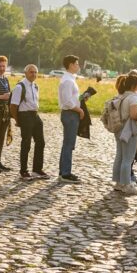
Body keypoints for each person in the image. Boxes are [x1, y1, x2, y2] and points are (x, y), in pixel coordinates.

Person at [10, 64, 48, 180]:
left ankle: (37, 169)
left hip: (35, 115)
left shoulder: (35, 86)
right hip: (25, 115)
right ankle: (24, 171)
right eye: (31, 72)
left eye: (35, 72)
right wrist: (17, 120)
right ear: (25, 73)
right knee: (26, 143)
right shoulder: (20, 87)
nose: (34, 74)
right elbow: (13, 106)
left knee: (40, 142)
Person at [112, 74, 137, 195]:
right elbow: (133, 115)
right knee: (128, 158)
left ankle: (118, 183)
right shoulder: (133, 98)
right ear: (134, 85)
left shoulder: (121, 95)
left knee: (119, 155)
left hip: (119, 128)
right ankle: (126, 184)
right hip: (129, 130)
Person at [58, 55, 84, 183]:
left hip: (70, 113)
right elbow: (67, 101)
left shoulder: (70, 79)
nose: (78, 66)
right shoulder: (68, 80)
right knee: (69, 144)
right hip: (70, 114)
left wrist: (82, 99)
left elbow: (72, 98)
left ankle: (63, 171)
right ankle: (66, 173)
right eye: (77, 64)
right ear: (70, 65)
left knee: (67, 143)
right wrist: (79, 109)